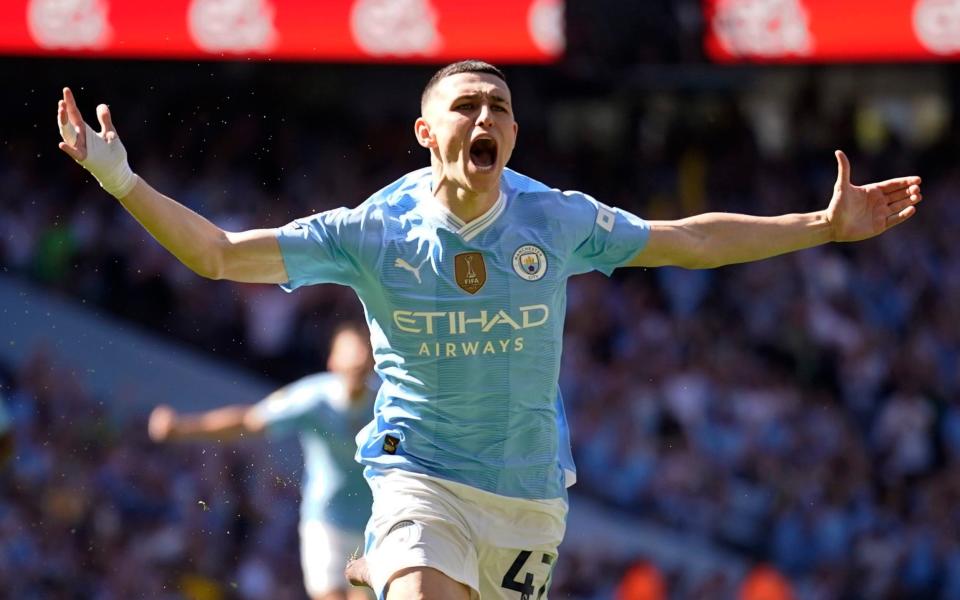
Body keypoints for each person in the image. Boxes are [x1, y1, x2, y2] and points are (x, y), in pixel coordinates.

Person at [56, 60, 922, 600]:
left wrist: (820, 225)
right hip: (417, 473)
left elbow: (686, 241)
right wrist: (121, 179)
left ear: (513, 132)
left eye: (500, 107)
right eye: (467, 105)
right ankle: (392, 562)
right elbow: (216, 255)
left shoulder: (553, 218)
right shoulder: (370, 231)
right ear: (428, 133)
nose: (486, 119)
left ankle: (383, 572)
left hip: (528, 495)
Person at [147, 322, 377, 600]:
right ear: (332, 360)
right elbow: (248, 420)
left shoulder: (385, 404)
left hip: (374, 525)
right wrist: (183, 428)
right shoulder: (313, 398)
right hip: (325, 522)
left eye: (363, 350)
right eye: (350, 350)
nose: (358, 357)